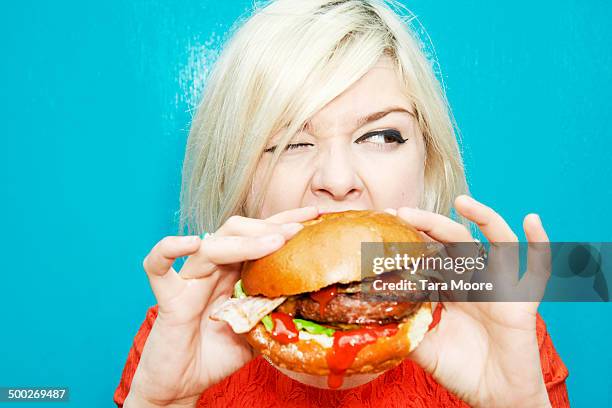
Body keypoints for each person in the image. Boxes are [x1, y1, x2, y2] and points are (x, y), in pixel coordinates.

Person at [114, 0, 569, 406]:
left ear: (427, 160)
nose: (337, 180)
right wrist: (159, 403)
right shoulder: (181, 332)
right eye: (290, 141)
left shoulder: (501, 329)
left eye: (382, 135)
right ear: (240, 178)